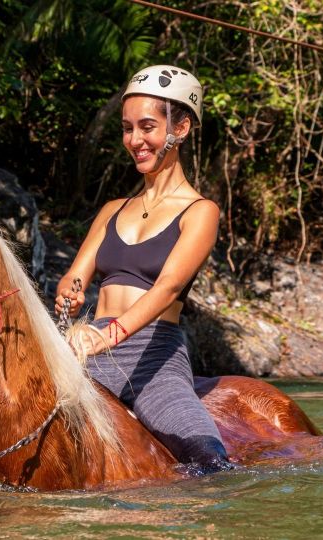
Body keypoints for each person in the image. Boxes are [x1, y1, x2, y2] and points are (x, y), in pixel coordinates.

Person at [54, 65, 230, 471]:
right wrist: (72, 288)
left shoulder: (201, 211)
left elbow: (167, 288)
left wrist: (109, 337)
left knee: (207, 459)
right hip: (89, 347)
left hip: (154, 356)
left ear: (181, 128)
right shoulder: (113, 210)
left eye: (147, 127)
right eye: (127, 128)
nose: (135, 140)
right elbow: (76, 274)